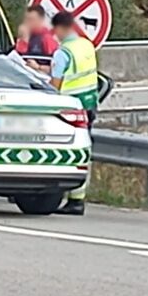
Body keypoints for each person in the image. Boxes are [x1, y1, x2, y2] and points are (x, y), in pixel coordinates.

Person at [49, 11, 98, 216]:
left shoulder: (63, 53)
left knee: (64, 151)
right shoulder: (86, 46)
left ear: (61, 28)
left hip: (68, 109)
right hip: (89, 105)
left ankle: (67, 197)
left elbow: (54, 86)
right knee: (83, 151)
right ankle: (78, 198)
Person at [15, 5, 59, 73]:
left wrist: (38, 67)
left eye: (31, 19)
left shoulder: (47, 38)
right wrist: (24, 40)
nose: (27, 22)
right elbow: (16, 59)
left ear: (40, 20)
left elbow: (56, 68)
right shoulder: (25, 36)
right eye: (26, 19)